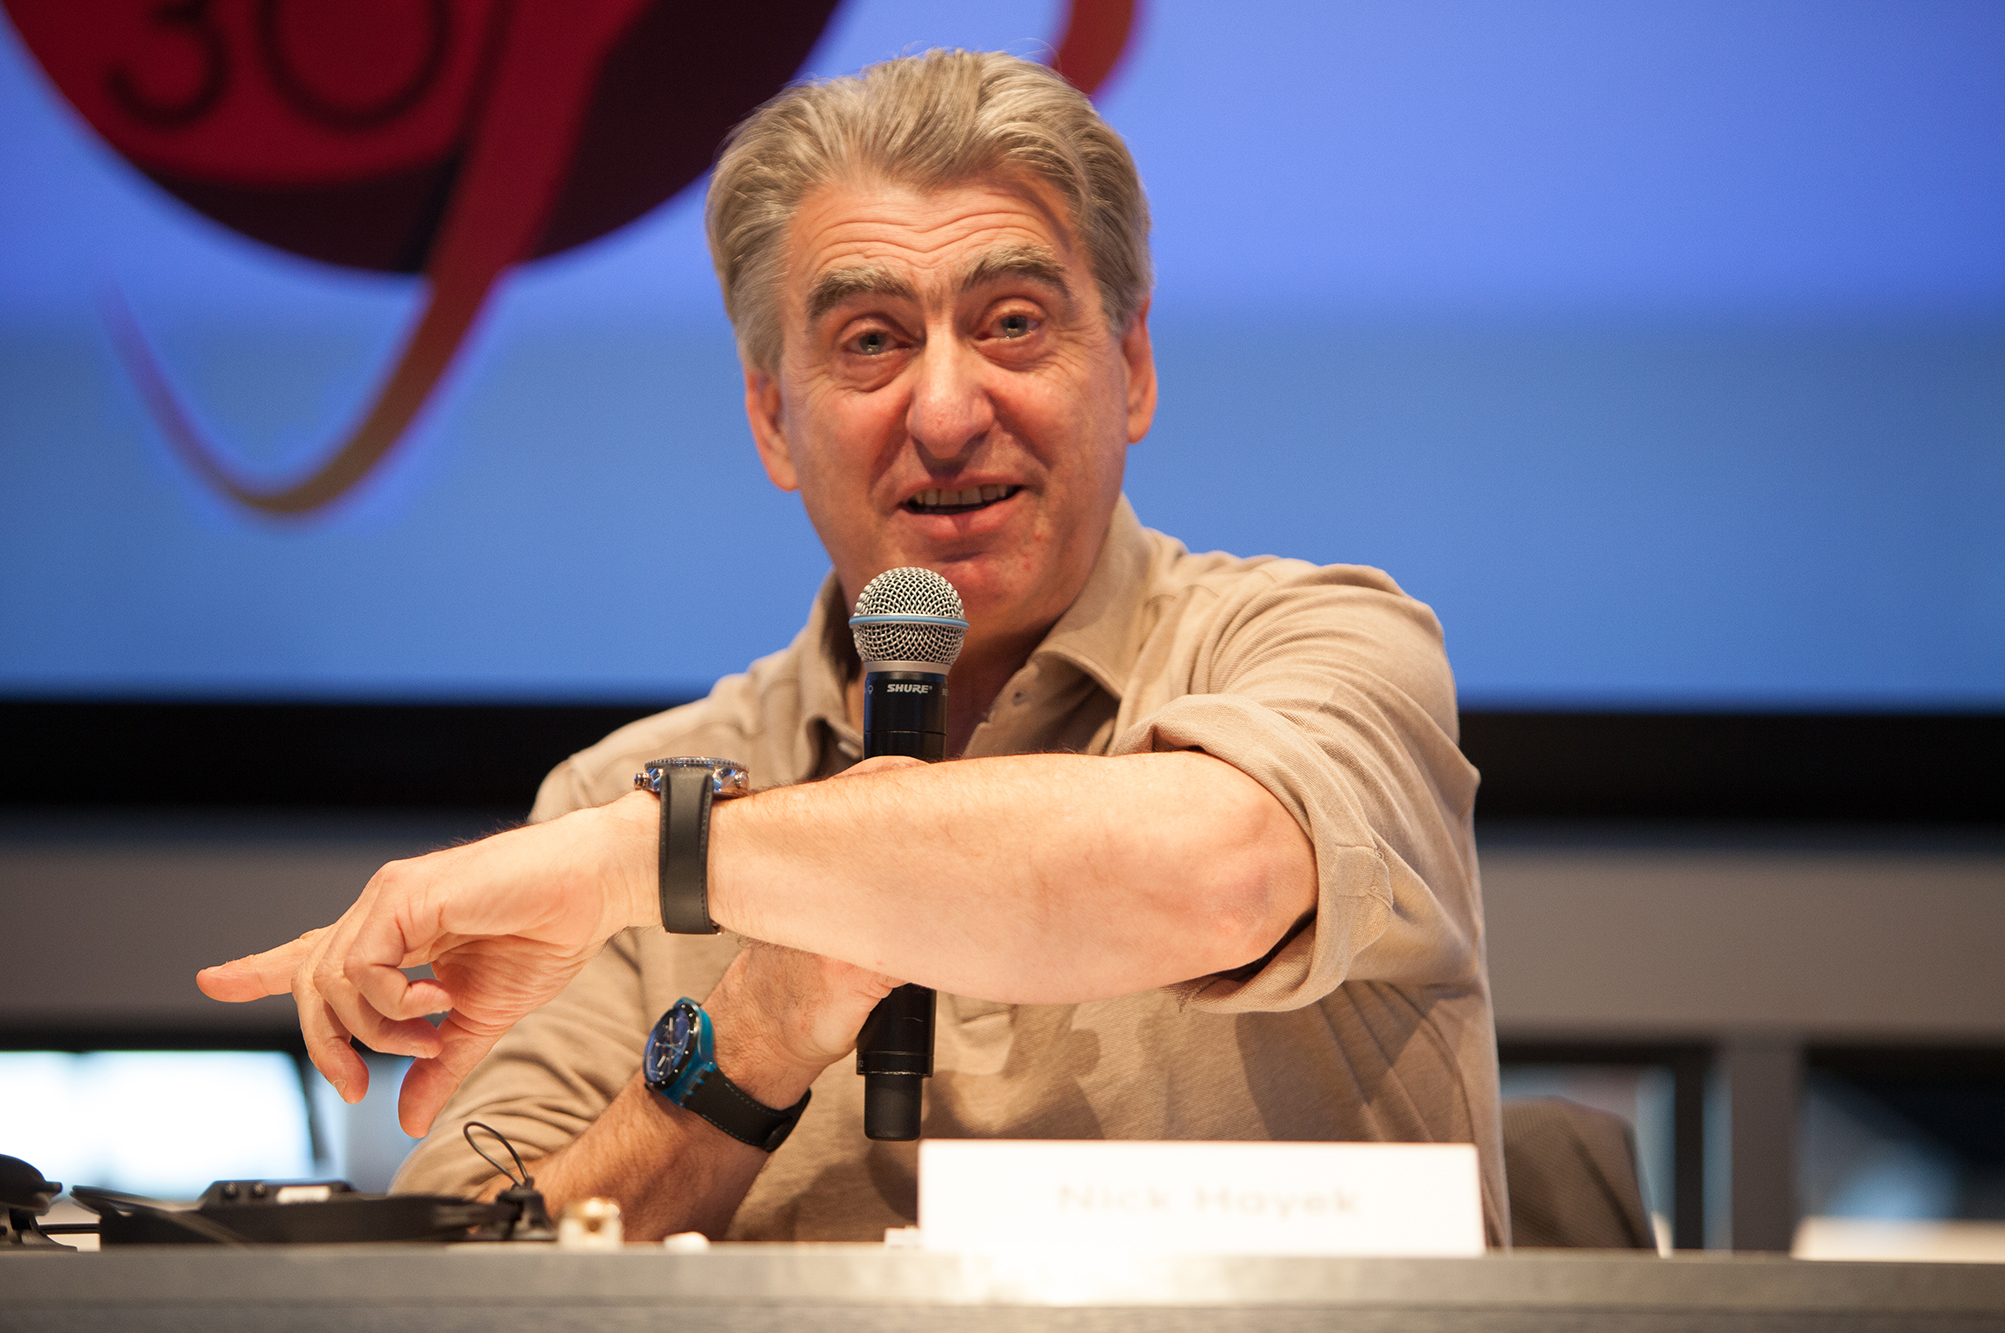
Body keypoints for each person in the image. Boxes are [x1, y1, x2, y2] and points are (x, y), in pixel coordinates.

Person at [198, 49, 1506, 1246]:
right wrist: (753, 1031)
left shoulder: (1321, 642)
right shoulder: (616, 788)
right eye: (870, 342)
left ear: (1133, 365)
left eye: (1012, 322)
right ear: (773, 418)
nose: (944, 412)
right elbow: (472, 1272)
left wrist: (656, 860)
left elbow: (1226, 873)